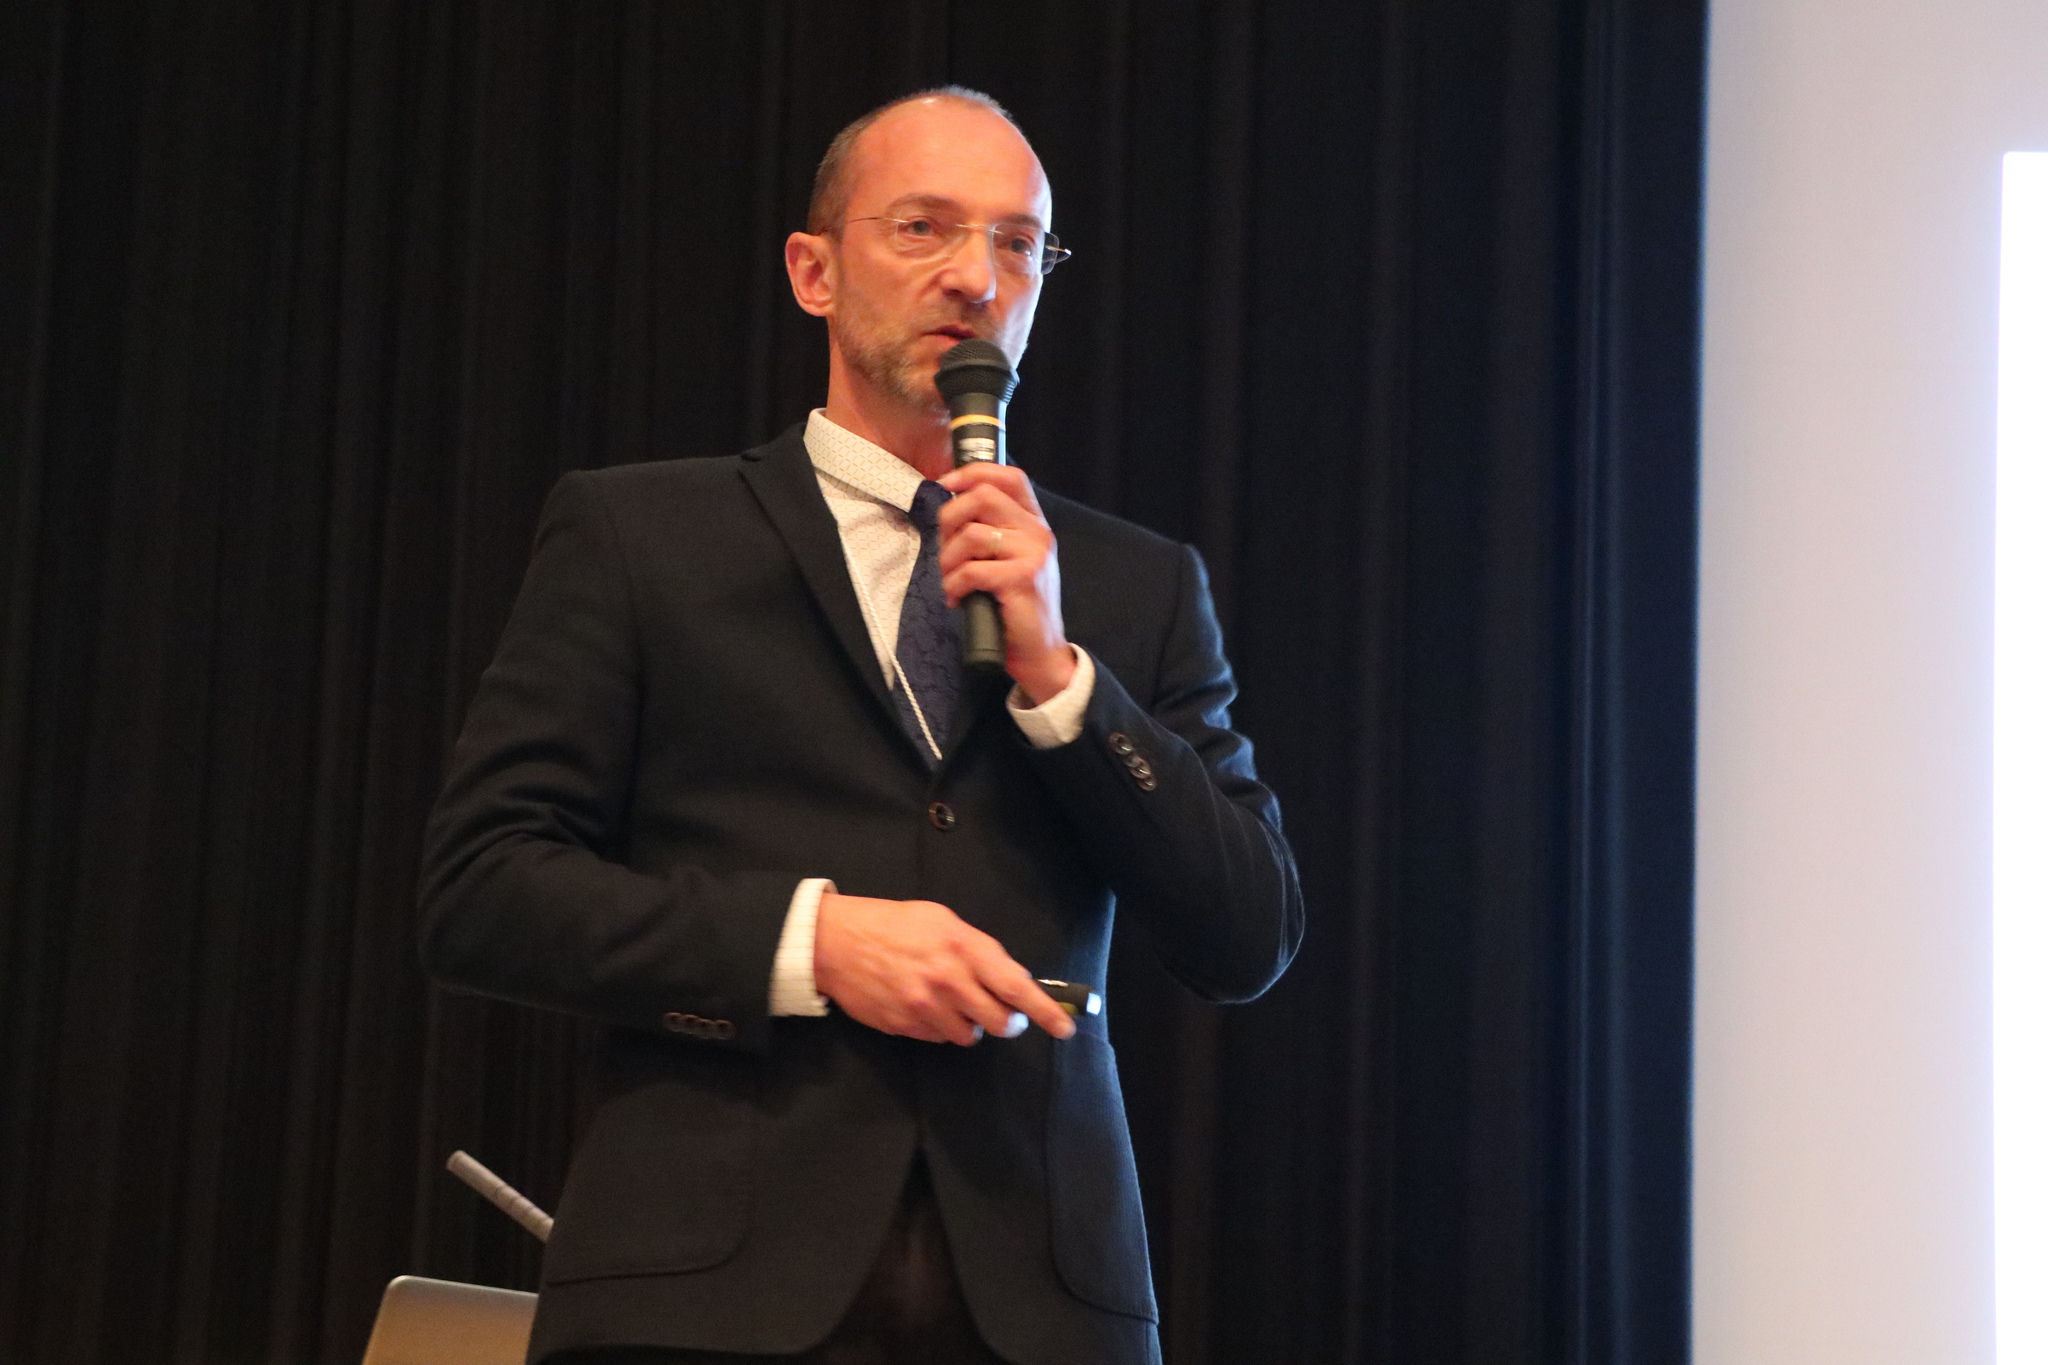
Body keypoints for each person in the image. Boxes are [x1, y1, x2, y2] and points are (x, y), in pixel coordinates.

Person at [418, 87, 1302, 1365]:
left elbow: (1245, 935)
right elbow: (481, 891)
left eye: (1016, 243)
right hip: (700, 1303)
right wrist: (813, 942)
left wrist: (1061, 681)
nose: (975, 278)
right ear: (813, 272)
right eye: (922, 228)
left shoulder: (1132, 585)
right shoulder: (640, 536)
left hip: (1038, 1312)